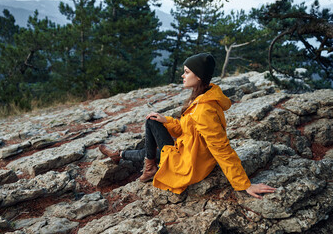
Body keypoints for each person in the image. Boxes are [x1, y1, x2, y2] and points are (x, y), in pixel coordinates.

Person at [99, 53, 276, 199]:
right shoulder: (203, 96)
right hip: (188, 151)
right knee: (152, 139)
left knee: (150, 123)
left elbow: (222, 149)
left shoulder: (203, 109)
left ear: (198, 76)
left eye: (186, 72)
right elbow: (187, 129)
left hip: (190, 161)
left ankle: (143, 164)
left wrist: (244, 184)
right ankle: (120, 155)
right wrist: (167, 121)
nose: (183, 75)